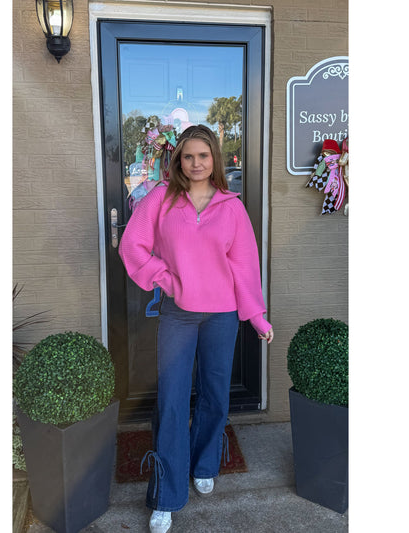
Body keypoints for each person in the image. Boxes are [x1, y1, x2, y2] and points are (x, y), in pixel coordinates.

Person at [119, 124, 273, 533]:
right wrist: (164, 279)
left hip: (223, 314)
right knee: (172, 399)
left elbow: (244, 266)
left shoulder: (232, 207)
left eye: (203, 156)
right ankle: (167, 495)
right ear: (179, 160)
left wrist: (256, 316)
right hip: (179, 314)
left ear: (214, 159)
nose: (196, 163)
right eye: (188, 156)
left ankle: (204, 463)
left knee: (214, 394)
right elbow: (132, 245)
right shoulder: (160, 198)